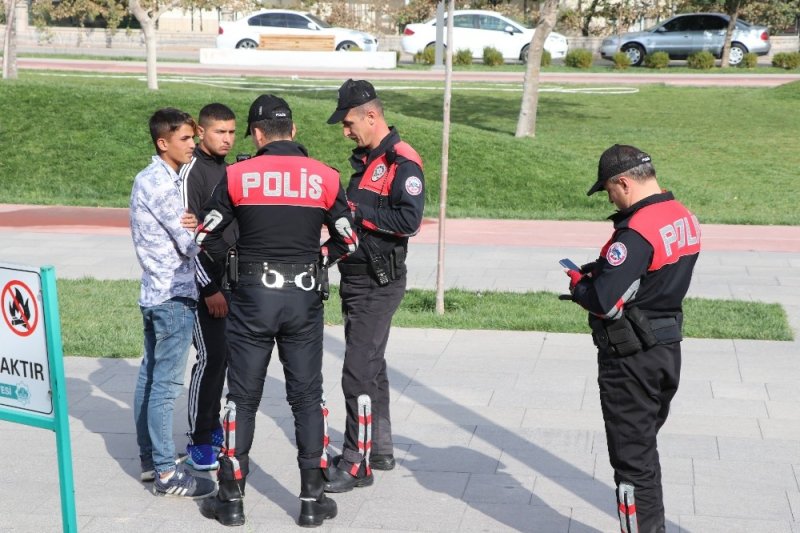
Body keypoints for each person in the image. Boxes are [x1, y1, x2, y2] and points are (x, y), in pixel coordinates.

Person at [194, 94, 358, 527]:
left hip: (250, 299)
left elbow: (205, 236)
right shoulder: (325, 176)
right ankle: (311, 501)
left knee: (241, 399)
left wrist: (236, 261)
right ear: (294, 132)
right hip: (303, 296)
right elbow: (349, 240)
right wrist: (316, 260)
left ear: (258, 134)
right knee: (306, 397)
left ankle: (230, 501)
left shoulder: (236, 175)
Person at [564, 144, 701, 533]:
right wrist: (608, 270)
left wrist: (581, 286)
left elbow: (604, 300)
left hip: (630, 359)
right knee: (643, 451)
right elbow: (653, 277)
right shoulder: (684, 216)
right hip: (665, 349)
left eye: (609, 190)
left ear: (624, 182)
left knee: (631, 464)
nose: (611, 198)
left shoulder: (636, 230)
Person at [323, 79, 425, 492]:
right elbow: (353, 227)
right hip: (357, 276)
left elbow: (409, 221)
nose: (345, 131)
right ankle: (378, 448)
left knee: (357, 373)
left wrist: (355, 209)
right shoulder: (367, 161)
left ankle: (355, 461)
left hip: (379, 282)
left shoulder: (403, 162)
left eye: (349, 123)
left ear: (371, 115)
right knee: (372, 366)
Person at [129, 107, 216, 499]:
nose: (193, 144)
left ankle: (151, 461)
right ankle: (166, 473)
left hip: (154, 293)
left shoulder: (155, 178)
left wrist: (191, 222)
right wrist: (199, 226)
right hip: (172, 297)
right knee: (165, 386)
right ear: (163, 143)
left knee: (149, 378)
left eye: (193, 138)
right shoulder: (162, 185)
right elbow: (189, 242)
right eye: (185, 139)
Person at [181, 103, 238, 471]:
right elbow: (189, 239)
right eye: (220, 132)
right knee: (210, 357)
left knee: (227, 358)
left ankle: (214, 423)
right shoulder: (191, 174)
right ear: (201, 132)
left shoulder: (232, 170)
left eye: (232, 132)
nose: (227, 139)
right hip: (205, 285)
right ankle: (199, 438)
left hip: (234, 280)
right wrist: (208, 289)